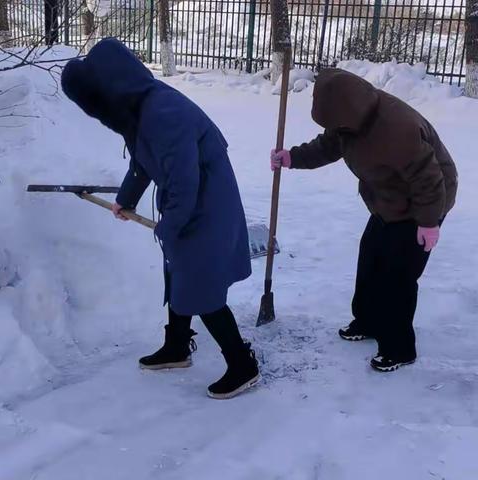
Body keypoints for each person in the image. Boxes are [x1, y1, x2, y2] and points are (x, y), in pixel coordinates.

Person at [61, 38, 259, 399]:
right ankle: (178, 346)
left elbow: (185, 180)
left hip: (206, 205)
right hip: (188, 201)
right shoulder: (138, 109)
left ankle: (242, 363)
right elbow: (142, 162)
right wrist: (126, 200)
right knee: (178, 271)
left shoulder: (163, 112)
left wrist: (172, 226)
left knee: (201, 283)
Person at [271, 68, 457, 372]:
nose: (334, 128)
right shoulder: (350, 119)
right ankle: (368, 320)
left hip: (424, 201)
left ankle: (399, 348)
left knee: (398, 276)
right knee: (372, 256)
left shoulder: (398, 130)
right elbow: (330, 145)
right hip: (388, 197)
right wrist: (294, 158)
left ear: (348, 113)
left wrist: (428, 222)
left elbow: (430, 180)